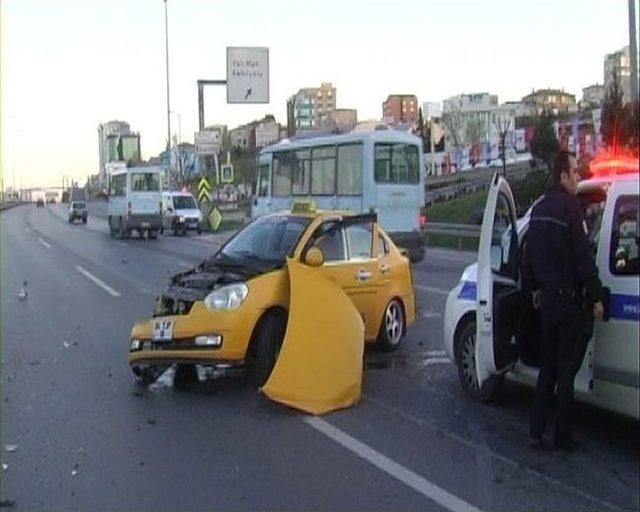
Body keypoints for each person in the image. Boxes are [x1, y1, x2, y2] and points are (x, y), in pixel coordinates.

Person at [523, 150, 604, 452]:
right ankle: (562, 435)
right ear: (563, 176)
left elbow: (529, 255)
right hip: (569, 303)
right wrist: (596, 295)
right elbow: (583, 258)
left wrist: (532, 289)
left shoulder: (539, 208)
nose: (578, 177)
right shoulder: (571, 208)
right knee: (566, 372)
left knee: (547, 369)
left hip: (547, 304)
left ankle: (535, 431)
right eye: (574, 171)